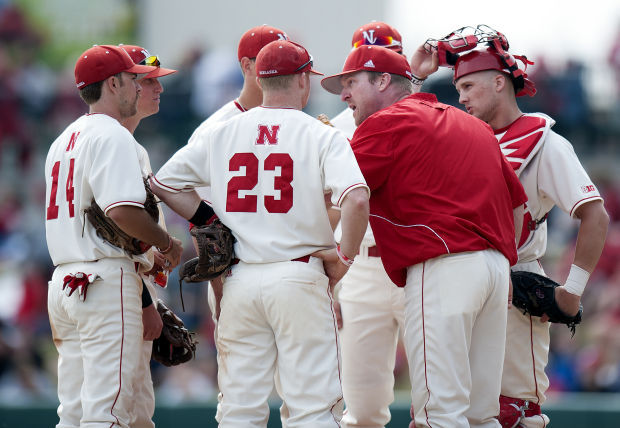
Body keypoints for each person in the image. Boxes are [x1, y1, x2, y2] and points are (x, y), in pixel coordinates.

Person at [152, 39, 370, 427]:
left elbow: (163, 182)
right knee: (313, 408)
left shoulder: (222, 132)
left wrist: (208, 220)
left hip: (239, 279)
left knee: (239, 408)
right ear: (302, 80)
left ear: (261, 79)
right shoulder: (320, 134)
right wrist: (345, 259)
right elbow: (355, 199)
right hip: (298, 274)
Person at [411, 30, 610, 427]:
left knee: (513, 412)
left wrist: (572, 290)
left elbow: (595, 214)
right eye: (458, 87)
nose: (461, 96)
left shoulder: (544, 142)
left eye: (468, 85)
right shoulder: (462, 136)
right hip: (456, 285)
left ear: (499, 82)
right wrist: (415, 79)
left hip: (516, 288)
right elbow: (400, 130)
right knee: (442, 410)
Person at [321, 46, 527, 427]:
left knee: (440, 414)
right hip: (495, 271)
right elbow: (516, 203)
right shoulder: (472, 124)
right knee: (482, 414)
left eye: (351, 83)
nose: (345, 94)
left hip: (441, 268)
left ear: (384, 81)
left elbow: (337, 194)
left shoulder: (384, 123)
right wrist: (507, 264)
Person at [44, 45, 183, 427]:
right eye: (135, 79)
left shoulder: (62, 140)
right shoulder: (113, 136)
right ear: (114, 83)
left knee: (74, 413)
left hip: (67, 282)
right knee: (109, 413)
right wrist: (167, 245)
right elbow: (121, 213)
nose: (142, 88)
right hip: (104, 280)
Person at [328, 21, 410, 428]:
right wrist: (334, 282)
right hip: (359, 264)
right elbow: (325, 209)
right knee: (360, 409)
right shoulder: (337, 127)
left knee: (441, 400)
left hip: (419, 264)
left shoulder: (424, 118)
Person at [188, 24, 289, 321]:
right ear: (246, 65)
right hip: (236, 272)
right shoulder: (213, 131)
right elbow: (201, 220)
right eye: (269, 58)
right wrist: (219, 288)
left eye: (285, 59)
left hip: (294, 271)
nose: (280, 68)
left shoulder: (302, 126)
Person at [120, 44, 178, 428]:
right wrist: (144, 300)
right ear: (123, 86)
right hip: (113, 284)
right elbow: (116, 226)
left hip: (91, 280)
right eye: (148, 81)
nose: (158, 89)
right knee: (119, 412)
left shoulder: (79, 139)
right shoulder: (117, 142)